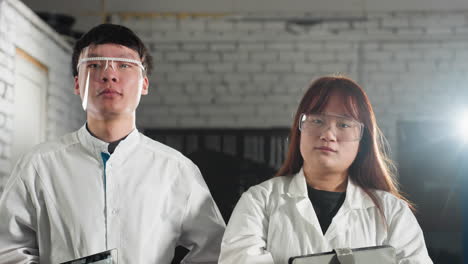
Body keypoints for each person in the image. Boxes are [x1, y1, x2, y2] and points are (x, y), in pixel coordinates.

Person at [0, 24, 225, 263]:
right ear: (77, 84)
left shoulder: (176, 170)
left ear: (144, 84)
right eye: (95, 65)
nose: (109, 74)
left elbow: (214, 248)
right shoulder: (38, 165)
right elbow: (7, 249)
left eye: (124, 65)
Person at [218, 75, 433, 264]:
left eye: (344, 124)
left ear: (363, 140)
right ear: (299, 130)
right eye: (317, 120)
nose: (328, 134)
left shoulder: (391, 212)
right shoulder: (259, 201)